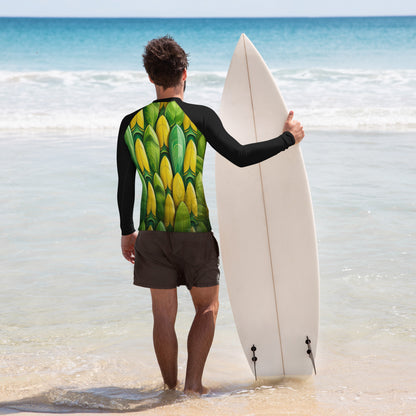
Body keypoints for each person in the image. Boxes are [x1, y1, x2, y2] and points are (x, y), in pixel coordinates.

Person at [116, 35, 304, 395]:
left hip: (152, 233)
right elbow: (240, 155)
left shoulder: (130, 123)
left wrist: (128, 231)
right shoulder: (199, 116)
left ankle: (168, 388)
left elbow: (126, 185)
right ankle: (192, 386)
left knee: (162, 316)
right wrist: (287, 139)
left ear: (150, 77)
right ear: (184, 73)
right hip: (195, 232)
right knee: (207, 308)